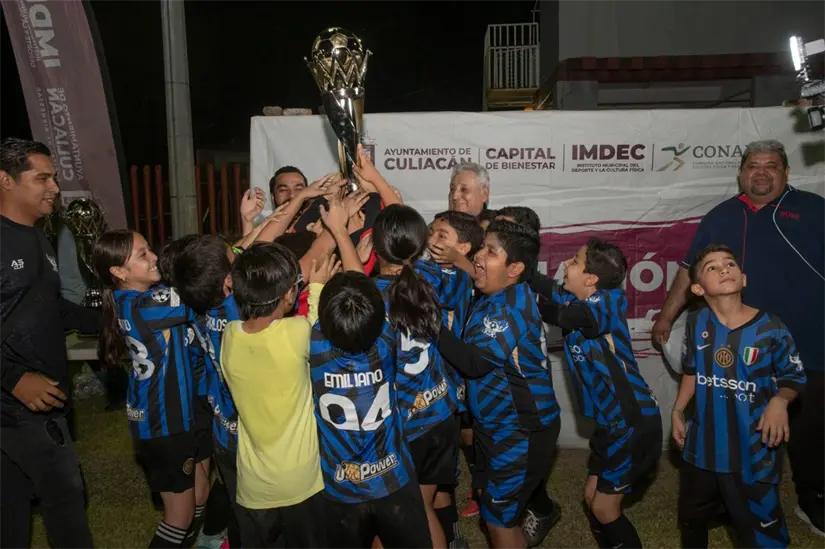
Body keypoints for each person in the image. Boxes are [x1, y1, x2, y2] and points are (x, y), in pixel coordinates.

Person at [652, 139, 825, 537]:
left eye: (771, 165)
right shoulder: (721, 215)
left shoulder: (814, 209)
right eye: (753, 165)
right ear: (741, 172)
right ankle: (730, 500)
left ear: (785, 172)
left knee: (812, 433)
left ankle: (812, 500)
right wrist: (666, 315)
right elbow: (688, 271)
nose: (761, 172)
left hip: (811, 345)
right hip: (741, 356)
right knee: (737, 430)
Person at [672, 245, 807, 549]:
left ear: (743, 279)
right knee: (692, 518)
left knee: (759, 533)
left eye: (730, 264)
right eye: (712, 267)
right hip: (702, 448)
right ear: (697, 288)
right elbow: (691, 371)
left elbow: (794, 377)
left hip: (751, 451)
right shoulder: (696, 324)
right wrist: (678, 410)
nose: (724, 269)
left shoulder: (770, 328)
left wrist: (780, 400)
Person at [436, 220, 561, 549]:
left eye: (490, 252)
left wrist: (430, 324)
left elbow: (474, 363)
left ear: (515, 268)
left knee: (497, 519)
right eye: (481, 248)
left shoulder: (509, 307)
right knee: (491, 502)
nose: (478, 256)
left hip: (520, 430)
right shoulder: (494, 295)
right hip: (496, 425)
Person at [0, 137, 99, 549]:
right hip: (19, 407)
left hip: (34, 407)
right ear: (5, 180)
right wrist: (13, 378)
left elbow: (51, 308)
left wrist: (113, 321)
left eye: (54, 177)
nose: (55, 188)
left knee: (10, 513)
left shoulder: (38, 236)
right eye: (42, 178)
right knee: (66, 507)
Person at [532, 238, 662, 549]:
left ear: (591, 279)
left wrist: (516, 297)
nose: (565, 264)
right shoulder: (580, 296)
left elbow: (564, 317)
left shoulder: (607, 302)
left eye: (574, 262)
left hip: (631, 423)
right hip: (612, 423)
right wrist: (516, 265)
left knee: (604, 507)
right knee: (592, 498)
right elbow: (543, 284)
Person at [94, 229, 207, 549]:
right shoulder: (147, 304)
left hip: (174, 417)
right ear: (119, 271)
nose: (154, 257)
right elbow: (206, 286)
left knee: (199, 496)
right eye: (143, 255)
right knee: (179, 518)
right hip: (163, 424)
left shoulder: (133, 300)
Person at [219, 243, 334, 549]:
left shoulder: (229, 336)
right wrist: (320, 285)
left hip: (253, 487)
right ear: (287, 295)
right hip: (301, 483)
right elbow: (319, 327)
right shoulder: (294, 332)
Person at [310, 271, 432, 549]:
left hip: (340, 486)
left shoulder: (312, 344)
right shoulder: (388, 339)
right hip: (393, 478)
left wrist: (318, 287)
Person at [371, 205, 465, 549]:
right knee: (422, 507)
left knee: (399, 516)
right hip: (440, 413)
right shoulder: (430, 277)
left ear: (373, 246)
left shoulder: (370, 296)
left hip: (407, 426)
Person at [172, 234, 242, 549]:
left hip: (222, 424)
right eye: (235, 255)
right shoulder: (239, 315)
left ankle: (211, 536)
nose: (240, 255)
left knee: (232, 490)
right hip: (243, 429)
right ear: (228, 281)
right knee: (248, 507)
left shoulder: (202, 308)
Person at [427, 210, 483, 527]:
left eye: (442, 235)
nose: (433, 241)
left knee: (438, 477)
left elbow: (474, 275)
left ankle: (449, 536)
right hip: (423, 386)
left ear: (462, 248)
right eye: (431, 233)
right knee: (435, 479)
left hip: (445, 387)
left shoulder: (458, 278)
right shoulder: (431, 272)